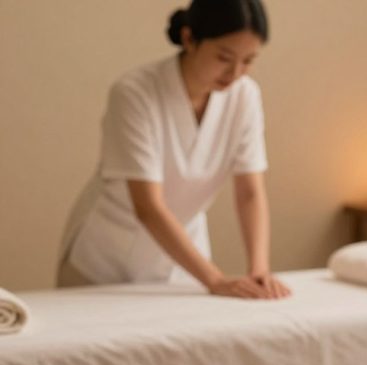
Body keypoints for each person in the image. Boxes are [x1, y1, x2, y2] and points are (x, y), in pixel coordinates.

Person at [57, 0, 290, 299]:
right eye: (224, 57)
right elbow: (148, 207)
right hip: (105, 264)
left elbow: (250, 192)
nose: (235, 73)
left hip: (184, 266)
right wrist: (215, 279)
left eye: (248, 60)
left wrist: (259, 269)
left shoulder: (244, 96)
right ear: (189, 39)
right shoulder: (135, 93)